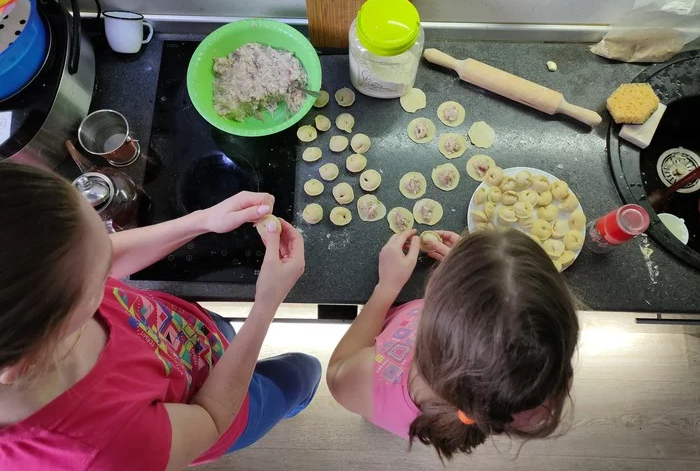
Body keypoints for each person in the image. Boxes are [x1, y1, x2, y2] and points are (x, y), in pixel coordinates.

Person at [0, 162, 321, 470]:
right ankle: (291, 405)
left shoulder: (33, 301)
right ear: (26, 360)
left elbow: (96, 254)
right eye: (100, 280)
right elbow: (210, 416)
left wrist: (202, 220)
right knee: (304, 371)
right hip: (223, 408)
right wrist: (266, 303)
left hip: (190, 334)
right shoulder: (104, 449)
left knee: (225, 333)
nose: (109, 271)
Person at [327, 228, 579, 460]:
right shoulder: (521, 387)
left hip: (376, 398)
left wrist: (386, 288)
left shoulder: (368, 376)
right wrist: (476, 274)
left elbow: (337, 370)